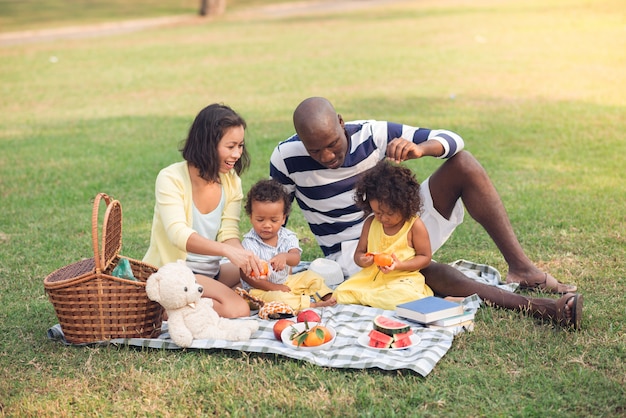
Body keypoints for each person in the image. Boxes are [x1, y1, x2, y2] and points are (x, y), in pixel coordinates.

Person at [269, 96, 582, 329]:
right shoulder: (285, 157)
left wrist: (421, 149)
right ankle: (540, 307)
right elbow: (277, 216)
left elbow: (454, 140)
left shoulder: (372, 133)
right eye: (314, 149)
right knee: (432, 273)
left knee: (464, 163)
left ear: (341, 122)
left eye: (332, 144)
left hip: (399, 225)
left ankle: (522, 269)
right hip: (355, 256)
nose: (327, 156)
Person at [144, 103, 265, 318]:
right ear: (208, 144)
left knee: (259, 277)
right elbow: (178, 234)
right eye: (231, 146)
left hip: (209, 272)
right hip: (176, 274)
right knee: (238, 308)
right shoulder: (171, 178)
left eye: (241, 146)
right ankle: (164, 307)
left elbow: (228, 232)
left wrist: (243, 256)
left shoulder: (231, 181)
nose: (237, 153)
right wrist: (226, 251)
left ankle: (187, 303)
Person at [333, 160, 433, 310]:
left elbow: (425, 257)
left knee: (403, 297)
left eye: (390, 213)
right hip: (370, 279)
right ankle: (372, 298)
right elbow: (359, 253)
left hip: (401, 280)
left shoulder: (414, 225)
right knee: (339, 294)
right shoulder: (370, 223)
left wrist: (400, 265)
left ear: (405, 205)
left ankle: (370, 299)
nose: (383, 218)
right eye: (378, 213)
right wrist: (363, 260)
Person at [240, 179, 337, 311]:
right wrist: (274, 288)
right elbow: (246, 275)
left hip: (285, 281)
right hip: (258, 291)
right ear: (251, 217)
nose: (267, 225)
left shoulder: (287, 236)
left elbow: (295, 258)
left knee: (311, 276)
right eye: (260, 219)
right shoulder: (249, 243)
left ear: (283, 218)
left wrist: (285, 257)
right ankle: (310, 305)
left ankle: (326, 296)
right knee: (279, 298)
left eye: (274, 220)